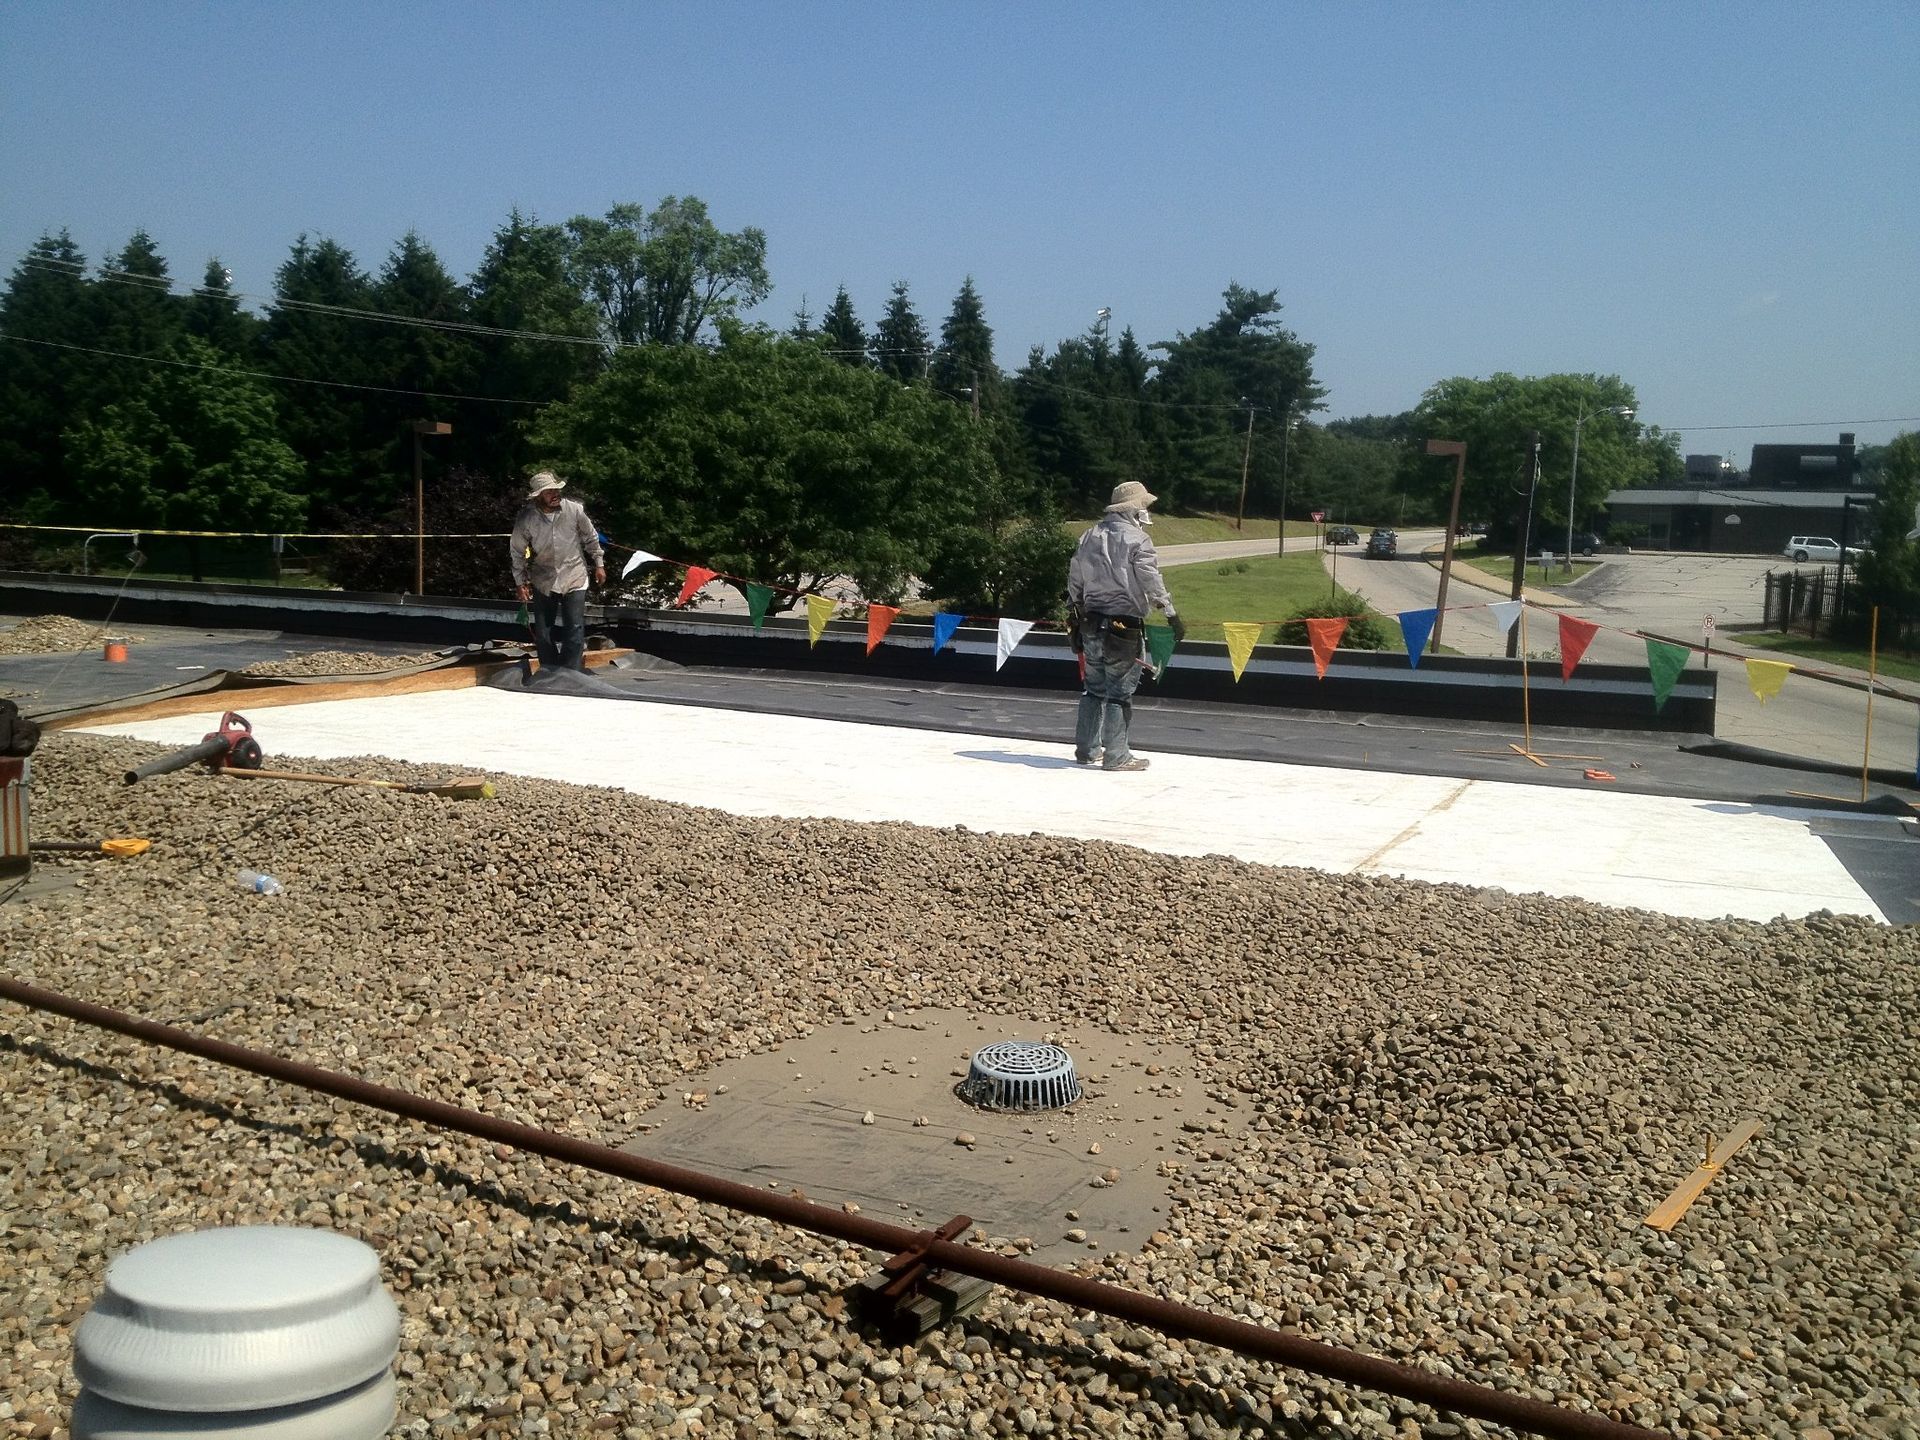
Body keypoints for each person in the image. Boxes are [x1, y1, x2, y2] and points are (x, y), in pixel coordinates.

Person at [1067, 481, 1185, 772]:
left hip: (1091, 623)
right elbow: (1151, 581)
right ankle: (1117, 755)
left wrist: (1074, 610)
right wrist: (1171, 614)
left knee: (1092, 689)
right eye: (1144, 506)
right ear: (1134, 508)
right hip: (1124, 626)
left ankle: (1087, 750)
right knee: (1119, 693)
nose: (1146, 511)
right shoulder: (1138, 540)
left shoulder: (1088, 536)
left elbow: (1075, 581)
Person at [510, 471, 605, 672]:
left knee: (574, 627)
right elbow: (517, 551)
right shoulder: (527, 518)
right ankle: (549, 670)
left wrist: (599, 564)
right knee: (544, 632)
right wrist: (520, 582)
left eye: (556, 490)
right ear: (538, 496)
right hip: (544, 578)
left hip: (574, 575)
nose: (554, 494)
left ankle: (571, 672)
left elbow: (591, 537)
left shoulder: (575, 510)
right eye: (548, 492)